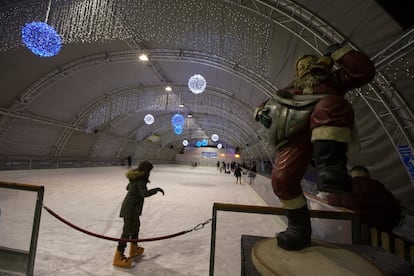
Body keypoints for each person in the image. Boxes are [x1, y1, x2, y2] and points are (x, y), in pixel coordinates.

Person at [255, 42, 375, 250]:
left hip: (324, 124)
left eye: (309, 64)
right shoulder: (288, 91)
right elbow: (265, 106)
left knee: (330, 106)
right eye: (301, 67)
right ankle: (298, 229)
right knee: (282, 181)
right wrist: (261, 113)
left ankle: (331, 169)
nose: (305, 69)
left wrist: (340, 53)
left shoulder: (332, 82)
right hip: (292, 136)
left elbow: (362, 72)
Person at [113, 160, 165, 268]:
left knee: (135, 227)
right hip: (131, 209)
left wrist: (134, 189)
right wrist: (157, 189)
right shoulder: (141, 179)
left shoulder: (135, 177)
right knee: (127, 232)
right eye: (149, 170)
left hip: (132, 207)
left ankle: (134, 249)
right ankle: (118, 257)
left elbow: (128, 188)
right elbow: (144, 194)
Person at [327, 166, 401, 233]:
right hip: (381, 234)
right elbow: (396, 211)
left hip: (352, 233)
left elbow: (330, 201)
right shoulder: (381, 189)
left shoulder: (344, 188)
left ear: (351, 176)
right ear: (368, 176)